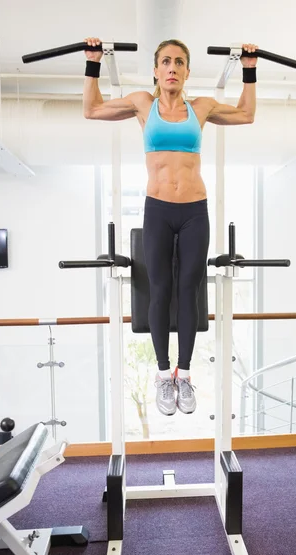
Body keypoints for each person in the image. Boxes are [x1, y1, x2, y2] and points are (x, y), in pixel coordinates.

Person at [83, 37, 258, 417]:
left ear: (188, 71)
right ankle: (164, 375)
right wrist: (93, 62)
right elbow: (92, 109)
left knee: (190, 289)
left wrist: (250, 69)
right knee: (160, 289)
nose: (172, 68)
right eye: (166, 61)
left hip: (195, 210)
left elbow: (246, 114)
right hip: (158, 208)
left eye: (179, 62)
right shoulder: (142, 104)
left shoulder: (202, 108)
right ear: (156, 70)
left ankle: (185, 374)